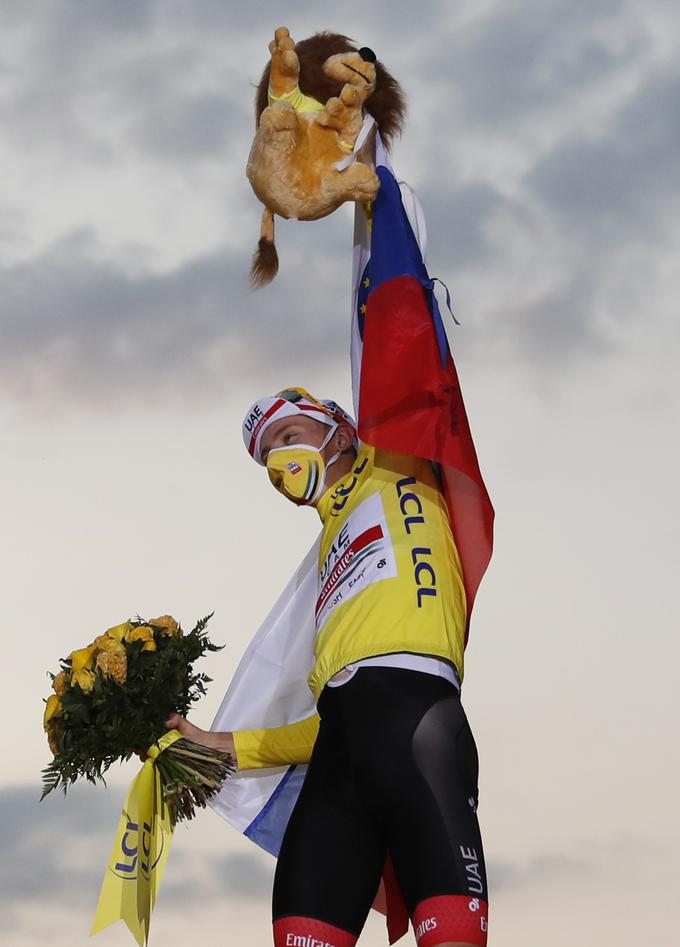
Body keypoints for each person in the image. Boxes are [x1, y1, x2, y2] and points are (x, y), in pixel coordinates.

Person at [166, 387, 489, 947]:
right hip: (339, 765)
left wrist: (374, 293)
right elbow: (337, 726)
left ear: (340, 432)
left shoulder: (398, 461)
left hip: (419, 731)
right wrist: (223, 745)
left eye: (288, 438)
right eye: (267, 457)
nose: (279, 462)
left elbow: (407, 367)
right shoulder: (324, 558)